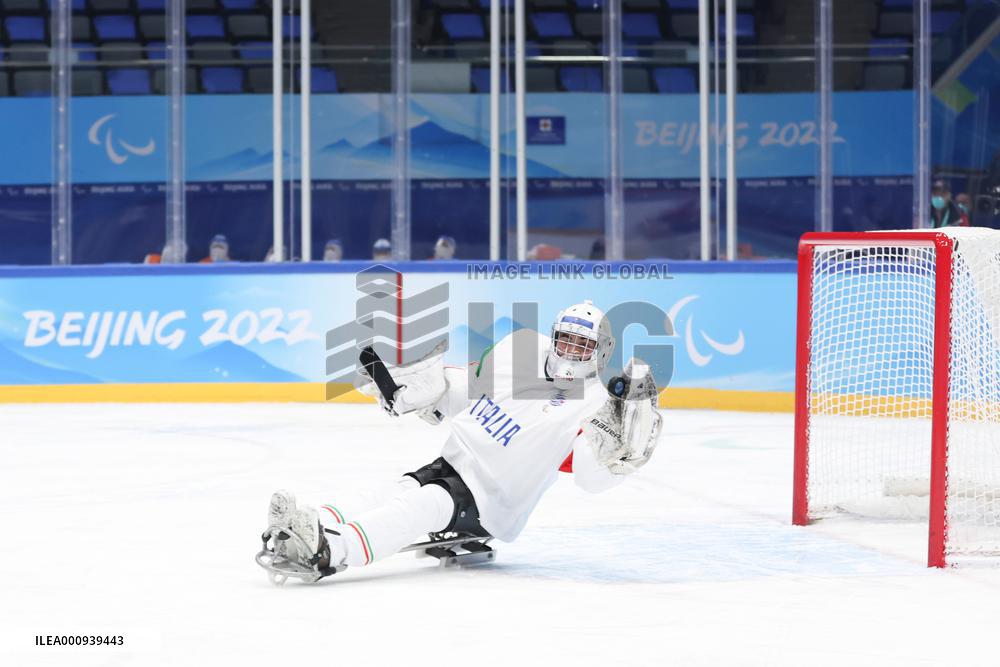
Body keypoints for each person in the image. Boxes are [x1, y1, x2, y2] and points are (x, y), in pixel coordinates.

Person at [259, 300, 663, 582]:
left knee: (419, 506)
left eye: (583, 345)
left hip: (491, 499)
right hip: (453, 462)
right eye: (566, 339)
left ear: (601, 350)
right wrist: (431, 393)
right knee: (395, 490)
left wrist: (616, 461)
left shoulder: (596, 404)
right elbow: (471, 391)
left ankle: (331, 550)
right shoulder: (522, 348)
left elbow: (589, 477)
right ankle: (309, 523)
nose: (571, 350)